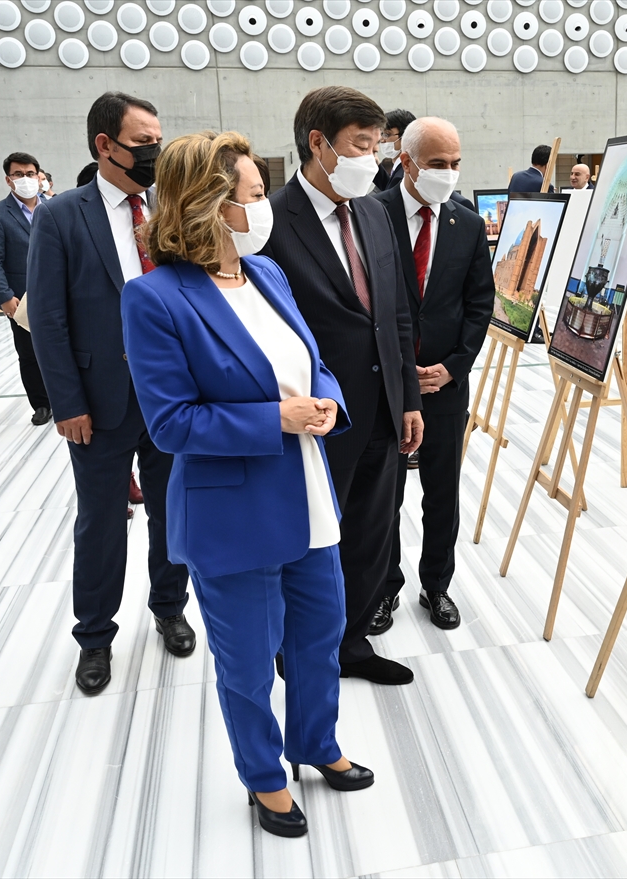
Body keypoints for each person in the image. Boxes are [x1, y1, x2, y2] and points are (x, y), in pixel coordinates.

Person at [121, 130, 374, 838]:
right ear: (206, 203)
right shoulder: (154, 299)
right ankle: (264, 775)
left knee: (321, 635)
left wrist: (326, 400)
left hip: (307, 493)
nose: (265, 206)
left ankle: (317, 744)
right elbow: (172, 423)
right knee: (247, 659)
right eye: (255, 195)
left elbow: (310, 360)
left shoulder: (267, 275)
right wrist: (277, 418)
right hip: (233, 512)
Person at [28, 91, 194, 695]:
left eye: (157, 139)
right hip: (99, 401)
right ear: (105, 145)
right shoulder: (60, 216)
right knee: (101, 521)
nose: (155, 151)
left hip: (172, 395)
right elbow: (47, 319)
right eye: (143, 143)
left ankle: (169, 607)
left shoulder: (170, 209)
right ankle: (94, 636)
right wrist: (67, 402)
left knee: (174, 509)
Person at [260, 85, 423, 685]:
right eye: (361, 145)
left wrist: (407, 398)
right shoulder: (271, 220)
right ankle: (297, 652)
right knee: (306, 542)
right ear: (319, 144)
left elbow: (397, 313)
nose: (374, 159)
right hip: (312, 416)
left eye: (378, 145)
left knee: (369, 537)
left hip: (381, 409)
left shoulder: (376, 212)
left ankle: (350, 645)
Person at [372, 117, 495, 632]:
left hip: (444, 384)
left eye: (455, 164)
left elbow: (479, 303)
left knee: (442, 491)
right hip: (385, 385)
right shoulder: (370, 216)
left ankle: (436, 585)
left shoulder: (464, 222)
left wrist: (453, 367)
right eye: (437, 164)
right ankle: (383, 588)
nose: (448, 173)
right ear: (407, 162)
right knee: (384, 494)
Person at [0, 151, 51, 425]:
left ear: (39, 176)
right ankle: (41, 404)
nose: (25, 179)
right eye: (18, 174)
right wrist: (4, 297)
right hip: (21, 296)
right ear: (8, 180)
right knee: (29, 353)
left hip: (59, 290)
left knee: (67, 347)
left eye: (30, 174)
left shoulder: (55, 206)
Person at [374, 108, 414, 192]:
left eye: (387, 134)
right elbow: (390, 190)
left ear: (404, 136)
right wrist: (376, 166)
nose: (382, 139)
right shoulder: (398, 168)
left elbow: (392, 199)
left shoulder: (406, 173)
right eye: (382, 134)